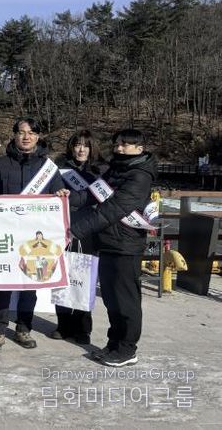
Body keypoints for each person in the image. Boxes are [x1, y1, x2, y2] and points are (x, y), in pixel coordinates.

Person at [70, 129, 157, 367]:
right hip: (108, 242)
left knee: (126, 300)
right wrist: (64, 197)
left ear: (140, 149)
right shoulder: (115, 169)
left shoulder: (140, 175)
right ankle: (114, 343)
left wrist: (76, 230)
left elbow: (113, 209)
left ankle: (127, 348)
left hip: (126, 245)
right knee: (111, 298)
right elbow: (90, 195)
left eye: (125, 144)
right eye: (117, 143)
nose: (119, 148)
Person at [0, 118, 65, 351]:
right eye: (21, 132)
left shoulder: (49, 169)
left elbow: (57, 195)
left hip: (36, 237)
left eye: (31, 132)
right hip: (6, 234)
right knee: (3, 283)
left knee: (30, 284)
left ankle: (23, 328)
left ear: (38, 136)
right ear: (14, 135)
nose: (26, 136)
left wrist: (61, 195)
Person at [51, 130, 107, 344]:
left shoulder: (102, 171)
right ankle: (63, 324)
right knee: (63, 276)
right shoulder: (60, 169)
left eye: (86, 145)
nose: (81, 149)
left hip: (91, 230)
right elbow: (53, 193)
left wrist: (74, 198)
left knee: (85, 278)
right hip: (64, 228)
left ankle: (83, 328)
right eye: (77, 145)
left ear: (93, 148)